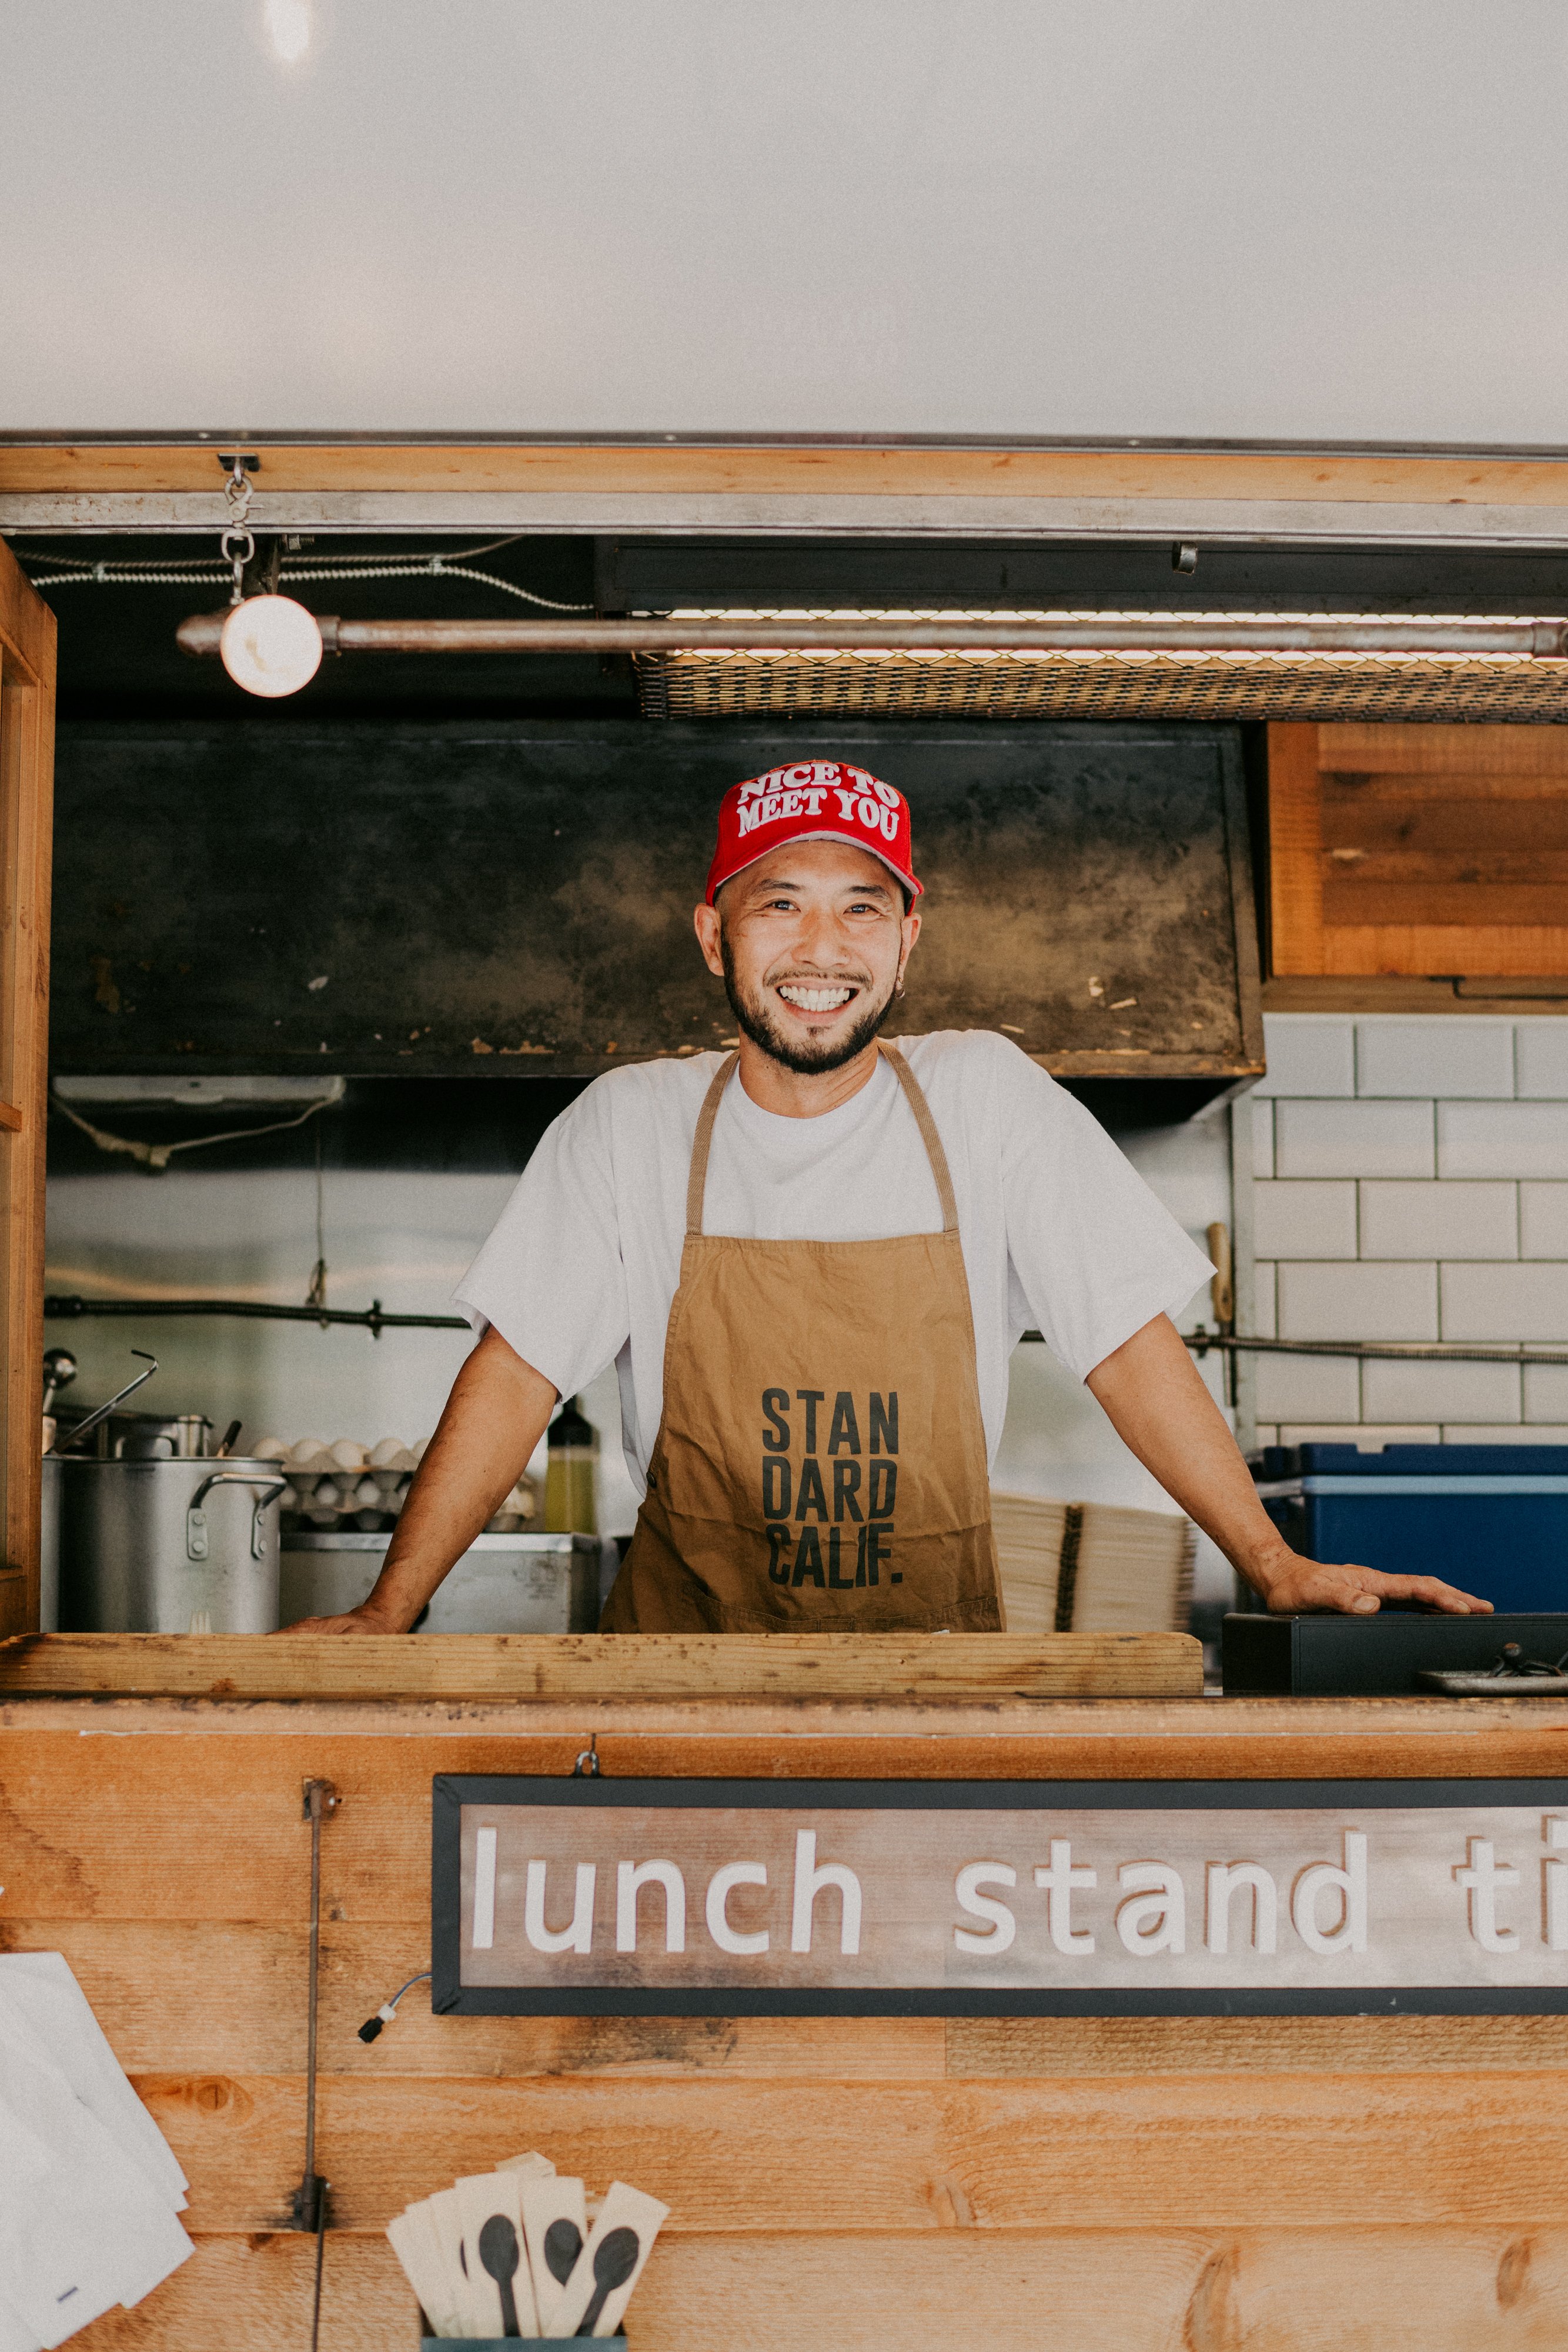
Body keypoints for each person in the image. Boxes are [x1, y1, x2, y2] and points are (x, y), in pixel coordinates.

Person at [286, 759, 1489, 1634]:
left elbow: (1125, 1341)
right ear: (714, 934)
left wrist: (1269, 1561)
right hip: (678, 1690)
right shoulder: (630, 1123)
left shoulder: (983, 1099)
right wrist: (391, 1606)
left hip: (929, 1689)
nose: (822, 944)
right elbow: (516, 1370)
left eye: (860, 905)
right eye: (779, 902)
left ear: (908, 936)